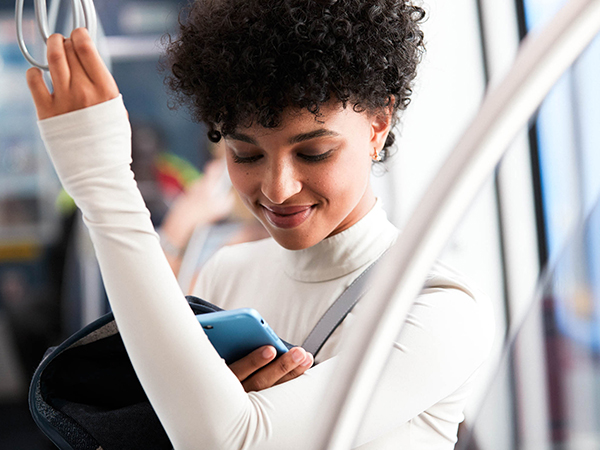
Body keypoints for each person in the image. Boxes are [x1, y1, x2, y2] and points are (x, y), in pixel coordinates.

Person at [25, 0, 495, 448]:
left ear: (379, 124)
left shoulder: (439, 311)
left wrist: (104, 188)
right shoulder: (224, 274)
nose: (277, 189)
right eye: (245, 154)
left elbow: (227, 440)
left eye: (314, 152)